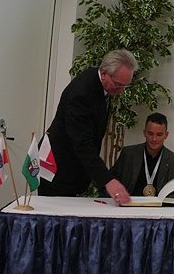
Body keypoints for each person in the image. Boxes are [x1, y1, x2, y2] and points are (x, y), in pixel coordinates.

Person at [38, 49, 137, 204]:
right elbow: (82, 143)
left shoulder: (101, 84)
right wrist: (108, 181)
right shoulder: (81, 94)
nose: (121, 91)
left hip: (73, 169)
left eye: (125, 86)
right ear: (104, 74)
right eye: (118, 85)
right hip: (57, 170)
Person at [108, 113, 174, 198]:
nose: (154, 139)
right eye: (150, 134)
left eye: (159, 135)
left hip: (160, 206)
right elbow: (111, 182)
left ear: (166, 135)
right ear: (144, 133)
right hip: (129, 205)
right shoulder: (128, 154)